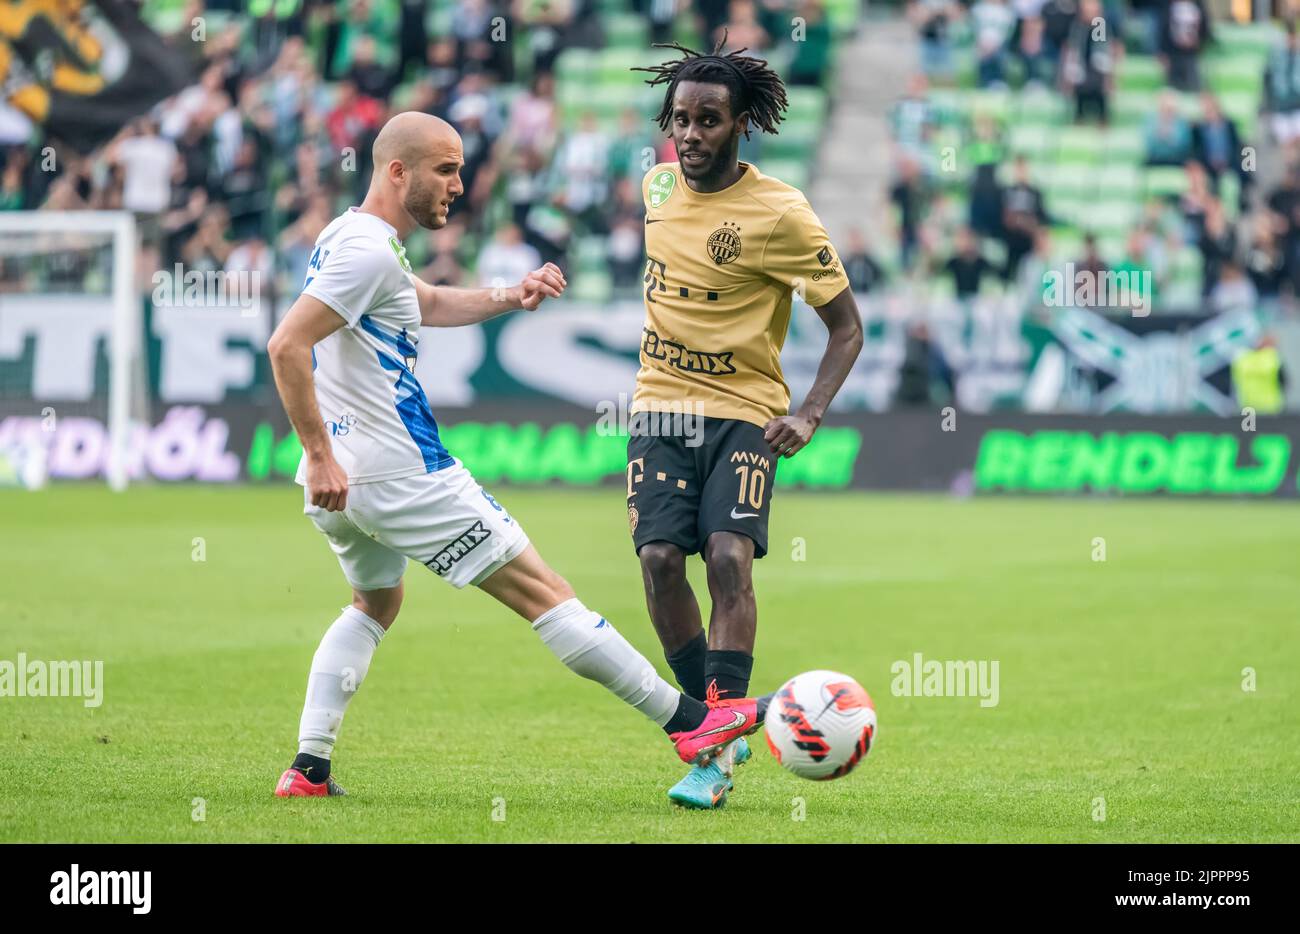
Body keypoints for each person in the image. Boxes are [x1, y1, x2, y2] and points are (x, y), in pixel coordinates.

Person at [266, 112, 764, 798]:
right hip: (400, 472)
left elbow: (428, 302)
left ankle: (309, 767)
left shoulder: (354, 240)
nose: (459, 185)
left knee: (374, 604)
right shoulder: (368, 252)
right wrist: (318, 452)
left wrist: (512, 293)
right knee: (545, 593)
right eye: (446, 169)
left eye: (461, 169)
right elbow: (285, 345)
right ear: (397, 171)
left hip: (353, 483)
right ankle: (688, 723)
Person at [629, 41, 864, 808]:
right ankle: (713, 729)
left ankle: (713, 751)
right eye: (681, 119)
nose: (690, 134)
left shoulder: (782, 213)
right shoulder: (655, 187)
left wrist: (812, 411)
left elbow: (847, 327)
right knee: (662, 559)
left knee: (729, 556)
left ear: (740, 128)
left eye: (708, 120)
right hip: (659, 407)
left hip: (746, 414)